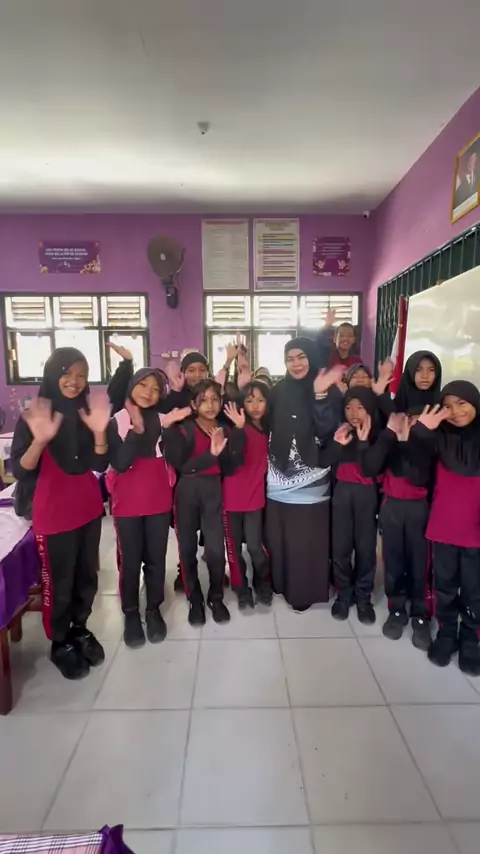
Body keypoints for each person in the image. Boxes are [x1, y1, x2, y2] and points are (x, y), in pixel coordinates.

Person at [10, 348, 111, 680]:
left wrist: (99, 431)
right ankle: (59, 641)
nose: (74, 381)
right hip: (53, 512)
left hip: (88, 508)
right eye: (67, 373)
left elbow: (99, 464)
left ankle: (79, 628)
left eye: (82, 375)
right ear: (53, 374)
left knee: (86, 576)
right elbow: (20, 470)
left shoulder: (86, 413)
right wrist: (40, 441)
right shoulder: (35, 415)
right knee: (59, 581)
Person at [107, 368, 187, 648]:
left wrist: (171, 429)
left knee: (156, 558)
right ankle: (131, 613)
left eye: (155, 389)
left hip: (158, 498)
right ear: (132, 386)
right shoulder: (118, 419)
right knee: (130, 561)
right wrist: (136, 431)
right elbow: (119, 463)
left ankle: (153, 609)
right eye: (143, 385)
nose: (148, 392)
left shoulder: (164, 419)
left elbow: (176, 457)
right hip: (127, 500)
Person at [264, 337, 341, 612]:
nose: (295, 364)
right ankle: (281, 583)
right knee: (281, 534)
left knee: (309, 536)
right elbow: (260, 419)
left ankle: (306, 590)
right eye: (290, 358)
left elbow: (327, 431)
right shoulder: (277, 391)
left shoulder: (328, 390)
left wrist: (319, 396)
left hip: (313, 476)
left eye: (301, 357)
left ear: (311, 357)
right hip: (279, 475)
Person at [409, 383, 480, 675]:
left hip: (476, 529)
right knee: (445, 586)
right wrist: (422, 433)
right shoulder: (438, 439)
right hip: (444, 527)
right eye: (448, 406)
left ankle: (471, 638)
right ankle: (447, 632)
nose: (457, 411)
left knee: (475, 590)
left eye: (463, 403)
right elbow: (417, 475)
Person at [163, 379, 245, 626]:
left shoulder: (225, 429)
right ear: (193, 404)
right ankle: (194, 598)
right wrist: (211, 455)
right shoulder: (183, 429)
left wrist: (239, 431)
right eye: (203, 400)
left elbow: (231, 467)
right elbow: (182, 466)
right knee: (187, 548)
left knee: (215, 550)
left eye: (215, 399)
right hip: (187, 491)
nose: (210, 405)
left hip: (213, 492)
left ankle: (215, 598)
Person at [365, 409, 433, 649]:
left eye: (413, 421)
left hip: (419, 509)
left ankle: (420, 614)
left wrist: (406, 441)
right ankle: (397, 609)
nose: (407, 424)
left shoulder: (426, 446)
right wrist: (390, 435)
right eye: (404, 419)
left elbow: (417, 476)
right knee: (393, 562)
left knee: (420, 563)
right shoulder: (388, 443)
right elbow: (370, 468)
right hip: (392, 508)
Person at [323, 387, 380, 624]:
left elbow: (370, 469)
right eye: (349, 407)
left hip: (366, 495)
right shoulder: (339, 432)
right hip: (342, 494)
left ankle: (363, 596)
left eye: (360, 407)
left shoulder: (379, 436)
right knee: (341, 547)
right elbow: (323, 460)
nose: (354, 413)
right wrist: (337, 444)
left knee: (366, 548)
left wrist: (364, 442)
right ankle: (344, 593)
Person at [223, 384, 273, 610]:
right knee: (234, 549)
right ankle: (241, 588)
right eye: (250, 400)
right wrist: (239, 429)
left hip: (255, 498)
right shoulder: (235, 428)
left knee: (254, 545)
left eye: (260, 400)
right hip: (231, 498)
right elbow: (234, 461)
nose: (255, 406)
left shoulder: (269, 429)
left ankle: (263, 582)